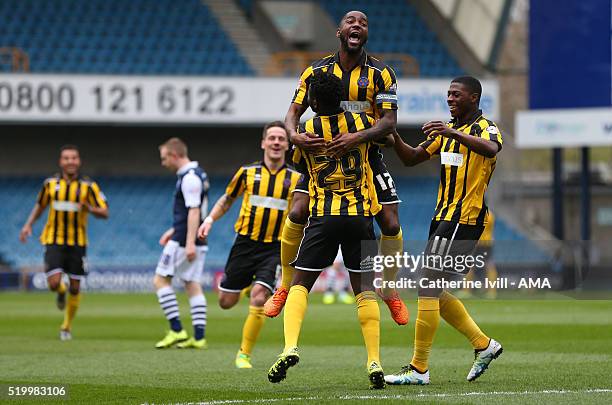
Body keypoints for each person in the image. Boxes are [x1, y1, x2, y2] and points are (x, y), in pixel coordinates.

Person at [264, 10, 408, 325]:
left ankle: (391, 289)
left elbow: (389, 122)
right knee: (297, 212)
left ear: (365, 34)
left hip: (366, 156)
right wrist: (295, 136)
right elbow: (292, 113)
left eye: (364, 23)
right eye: (350, 22)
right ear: (339, 32)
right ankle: (286, 285)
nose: (357, 25)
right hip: (322, 155)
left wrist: (356, 137)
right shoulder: (315, 71)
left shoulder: (381, 74)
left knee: (392, 224)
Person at [267, 72, 385, 389]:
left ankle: (290, 345)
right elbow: (383, 135)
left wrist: (297, 140)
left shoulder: (304, 131)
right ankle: (374, 360)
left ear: (314, 102)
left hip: (323, 217)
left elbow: (297, 164)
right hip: (360, 216)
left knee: (299, 285)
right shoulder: (361, 126)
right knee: (365, 291)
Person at [385, 76, 503, 385]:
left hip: (464, 219)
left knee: (427, 285)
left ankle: (419, 369)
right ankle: (483, 344)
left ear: (473, 98)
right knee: (432, 288)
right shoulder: (445, 133)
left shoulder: (483, 127)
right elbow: (411, 158)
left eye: (456, 94)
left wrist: (451, 131)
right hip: (443, 218)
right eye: (448, 94)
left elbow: (491, 149)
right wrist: (392, 135)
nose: (450, 98)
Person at [197, 121, 301, 369]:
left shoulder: (296, 178)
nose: (276, 142)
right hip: (245, 244)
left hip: (275, 248)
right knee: (225, 302)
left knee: (259, 297)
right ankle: (243, 288)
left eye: (281, 138)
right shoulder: (246, 173)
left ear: (287, 145)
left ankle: (244, 354)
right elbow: (227, 199)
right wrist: (209, 219)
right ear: (263, 143)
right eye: (272, 138)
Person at [19, 144, 109, 341]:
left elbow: (105, 212)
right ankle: (60, 291)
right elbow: (40, 206)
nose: (70, 161)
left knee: (75, 287)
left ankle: (66, 326)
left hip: (78, 243)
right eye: (66, 158)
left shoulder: (89, 187)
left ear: (79, 161)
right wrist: (28, 225)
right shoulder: (50, 184)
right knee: (53, 283)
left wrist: (88, 208)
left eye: (74, 158)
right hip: (54, 239)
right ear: (61, 162)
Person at [154, 138, 209, 350]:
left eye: (164, 157)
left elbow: (194, 211)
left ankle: (177, 330)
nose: (163, 162)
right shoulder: (198, 174)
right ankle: (199, 337)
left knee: (160, 280)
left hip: (185, 240)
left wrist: (188, 243)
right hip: (191, 235)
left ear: (175, 155)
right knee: (191, 283)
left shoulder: (190, 178)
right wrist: (174, 229)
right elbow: (194, 210)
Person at [457, 210, 498, 299]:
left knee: (471, 265)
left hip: (478, 243)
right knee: (489, 266)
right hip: (487, 243)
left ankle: (467, 290)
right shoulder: (490, 214)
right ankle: (492, 291)